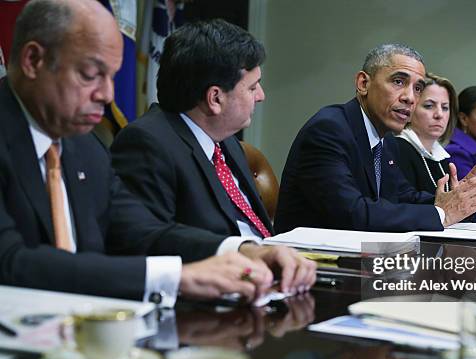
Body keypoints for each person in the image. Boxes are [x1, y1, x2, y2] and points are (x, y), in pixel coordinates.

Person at [0, 0, 308, 306]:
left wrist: (242, 250)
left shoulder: (83, 146)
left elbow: (141, 231)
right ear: (33, 60)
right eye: (91, 74)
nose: (107, 95)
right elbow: (11, 262)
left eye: (112, 76)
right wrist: (175, 277)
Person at [111, 20, 315, 295]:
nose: (261, 96)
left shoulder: (225, 141)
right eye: (253, 87)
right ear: (215, 98)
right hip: (212, 299)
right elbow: (148, 242)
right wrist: (246, 254)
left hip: (273, 282)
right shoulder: (147, 144)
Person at [275, 44, 476, 234]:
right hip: (309, 265)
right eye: (398, 81)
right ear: (363, 84)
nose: (410, 98)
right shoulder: (329, 129)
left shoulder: (386, 138)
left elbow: (401, 196)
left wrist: (454, 200)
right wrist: (441, 214)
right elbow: (352, 213)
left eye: (418, 88)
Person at [395, 73, 455, 195]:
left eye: (445, 107)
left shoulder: (441, 157)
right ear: (410, 109)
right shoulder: (397, 149)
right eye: (429, 106)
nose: (439, 114)